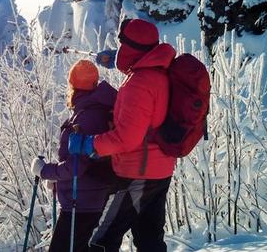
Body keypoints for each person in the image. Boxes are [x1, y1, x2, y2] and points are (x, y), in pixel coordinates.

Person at [70, 18, 177, 252]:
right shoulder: (159, 70)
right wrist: (119, 62)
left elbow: (127, 138)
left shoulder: (139, 84)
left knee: (102, 241)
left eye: (123, 45)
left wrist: (89, 144)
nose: (120, 50)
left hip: (136, 173)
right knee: (149, 240)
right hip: (160, 170)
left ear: (132, 48)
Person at [30, 60, 117, 252]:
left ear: (73, 87)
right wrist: (58, 180)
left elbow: (77, 166)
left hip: (81, 204)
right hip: (92, 197)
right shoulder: (99, 111)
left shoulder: (86, 118)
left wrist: (45, 171)